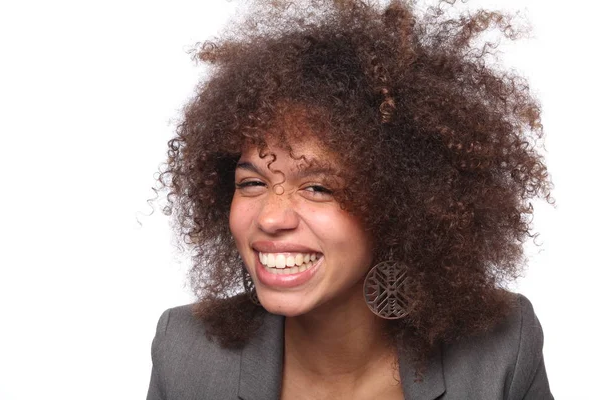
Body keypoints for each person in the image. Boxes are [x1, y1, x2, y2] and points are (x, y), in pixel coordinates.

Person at [147, 0, 553, 398]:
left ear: (401, 208)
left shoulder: (500, 351)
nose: (271, 219)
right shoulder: (187, 354)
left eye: (318, 188)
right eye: (252, 184)